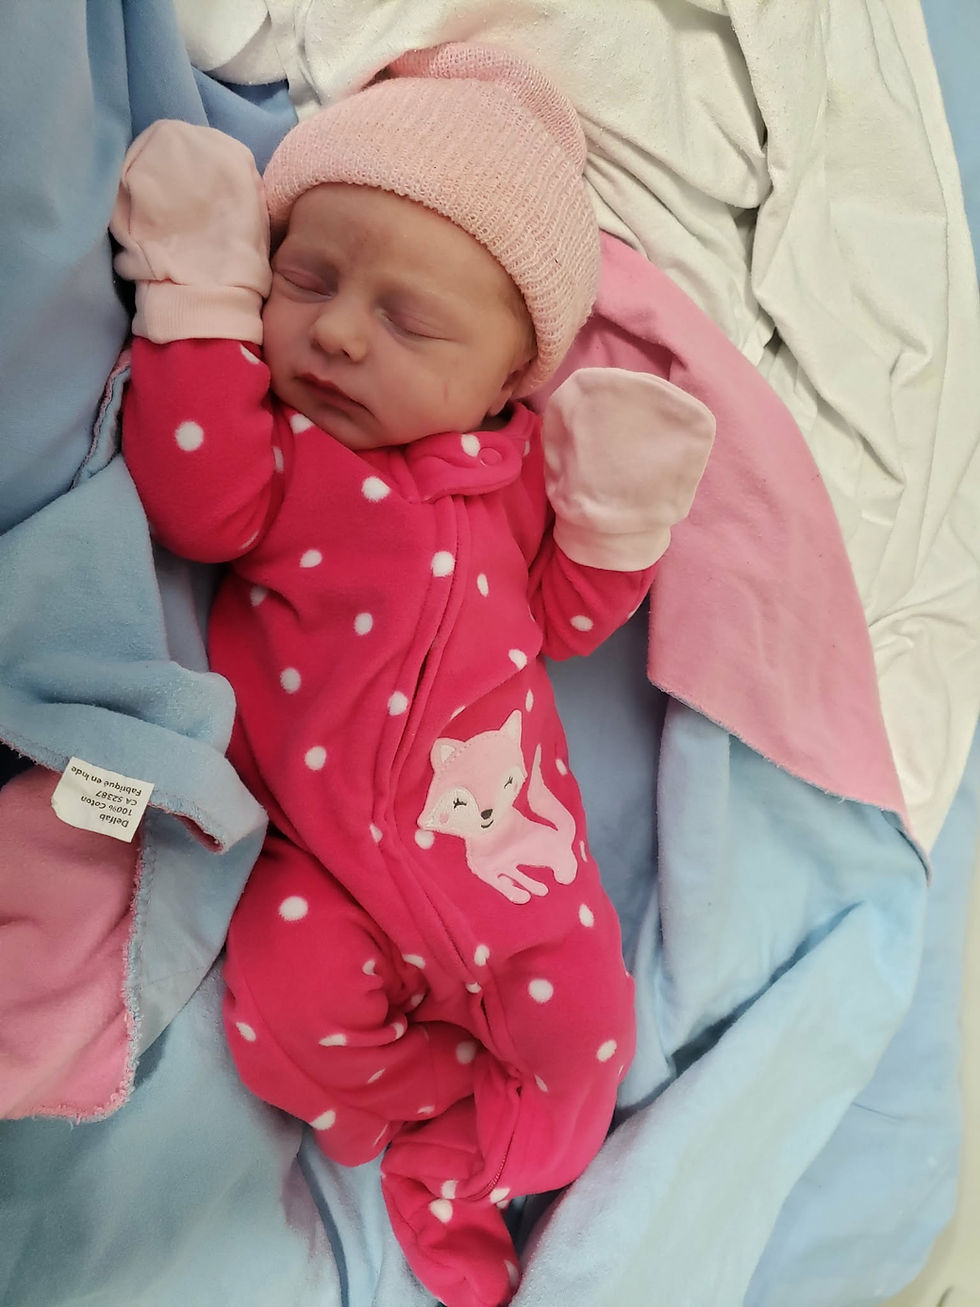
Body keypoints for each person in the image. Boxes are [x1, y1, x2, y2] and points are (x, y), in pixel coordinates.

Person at [111, 42, 715, 1307]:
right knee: (280, 1022)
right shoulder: (285, 462)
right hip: (316, 867)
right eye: (305, 278)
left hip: (518, 871)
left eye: (407, 320)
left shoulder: (510, 486)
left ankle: (457, 1170)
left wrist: (613, 523)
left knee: (585, 1063)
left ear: (506, 380)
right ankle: (427, 1119)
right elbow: (194, 498)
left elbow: (563, 621)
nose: (335, 330)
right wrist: (199, 302)